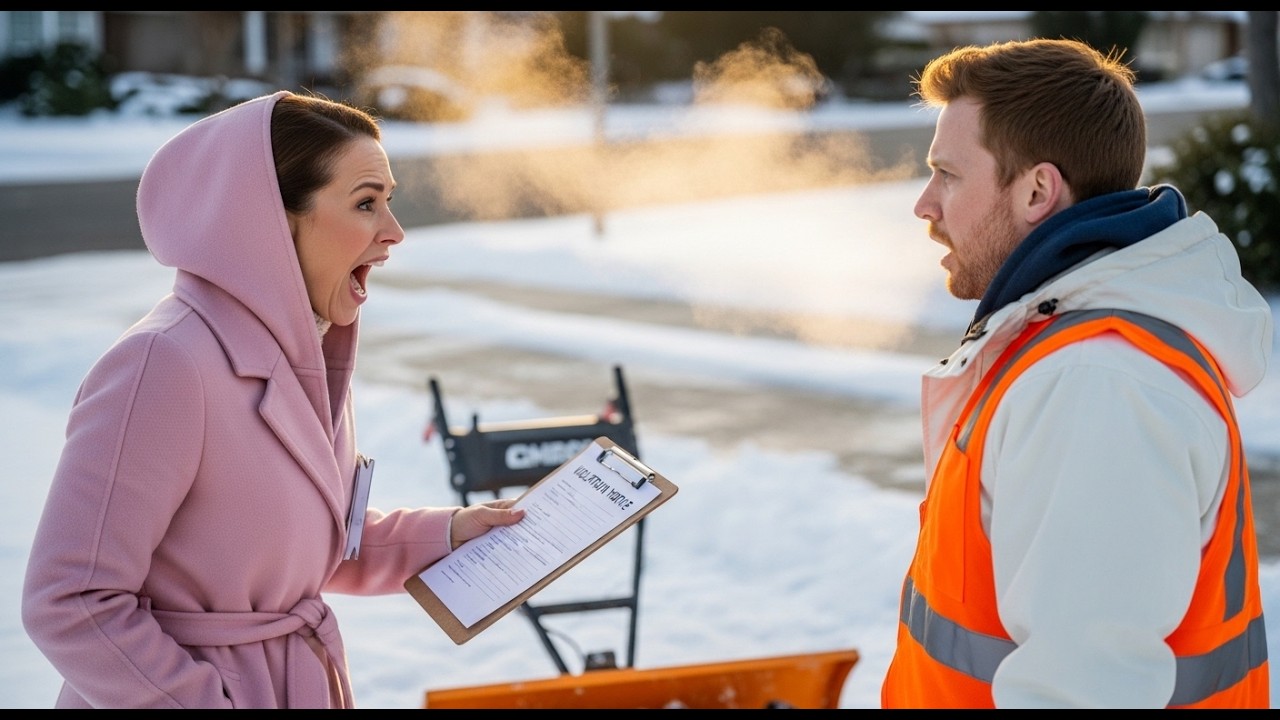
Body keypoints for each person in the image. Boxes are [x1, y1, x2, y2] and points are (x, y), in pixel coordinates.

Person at [20, 91, 526, 709]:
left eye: (388, 203)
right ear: (271, 221)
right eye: (366, 204)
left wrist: (449, 534)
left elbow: (297, 546)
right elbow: (71, 602)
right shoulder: (163, 365)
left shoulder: (303, 356)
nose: (393, 233)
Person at [881, 38, 1272, 709]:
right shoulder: (1065, 345)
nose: (925, 203)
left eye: (947, 173)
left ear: (1037, 189)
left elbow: (1085, 693)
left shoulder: (1098, 384)